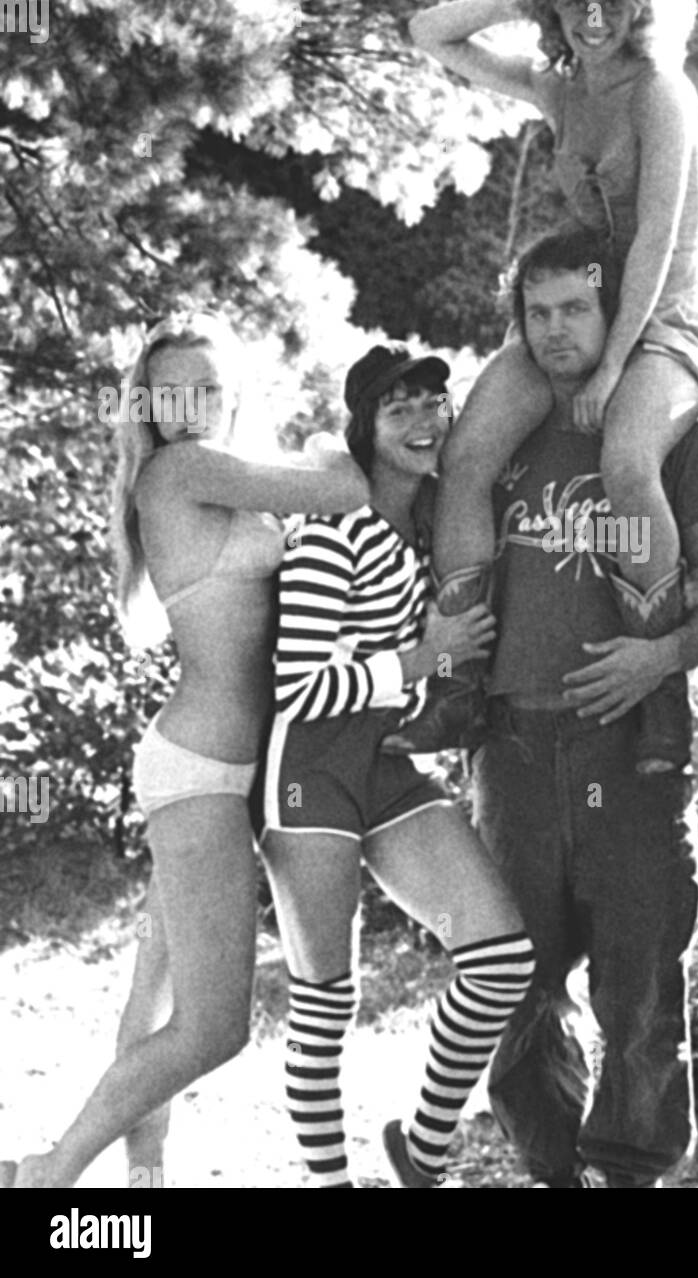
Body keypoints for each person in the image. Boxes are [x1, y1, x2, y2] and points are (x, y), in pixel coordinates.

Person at [4, 312, 370, 1189]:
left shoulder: (219, 477)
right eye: (171, 393)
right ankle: (45, 1174)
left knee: (155, 998)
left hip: (219, 771)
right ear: (148, 406)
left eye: (209, 387)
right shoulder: (182, 470)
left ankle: (144, 1180)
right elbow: (350, 490)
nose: (191, 406)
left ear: (233, 392)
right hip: (204, 773)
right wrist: (328, 444)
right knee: (213, 1028)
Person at [406, 0, 698, 772]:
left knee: (626, 460)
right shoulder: (557, 84)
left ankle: (659, 691)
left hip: (662, 318)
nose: (592, 20)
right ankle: (459, 682)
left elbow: (655, 243)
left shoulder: (662, 93)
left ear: (639, 5)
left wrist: (614, 365)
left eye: (610, 3)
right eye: (574, 2)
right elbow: (430, 35)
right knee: (467, 454)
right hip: (575, 313)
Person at [467, 227, 698, 1188]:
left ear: (613, 313)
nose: (554, 330)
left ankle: (631, 1171)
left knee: (639, 980)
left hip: (627, 748)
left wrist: (657, 656)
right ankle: (551, 1167)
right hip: (511, 746)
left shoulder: (665, 437)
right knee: (511, 978)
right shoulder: (500, 436)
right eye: (535, 313)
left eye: (574, 309)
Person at [257, 343, 534, 1189]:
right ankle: (329, 1183)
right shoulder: (332, 531)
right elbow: (298, 686)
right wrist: (421, 659)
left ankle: (422, 1151)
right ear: (364, 429)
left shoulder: (427, 526)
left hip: (384, 761)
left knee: (500, 959)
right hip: (307, 772)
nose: (421, 420)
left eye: (431, 403)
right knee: (325, 1003)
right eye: (397, 408)